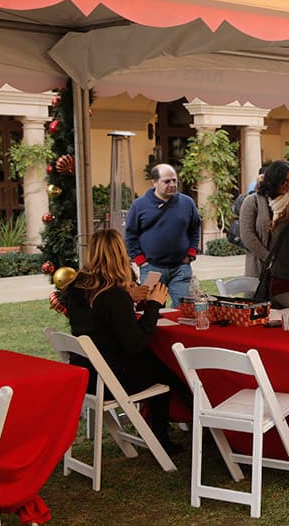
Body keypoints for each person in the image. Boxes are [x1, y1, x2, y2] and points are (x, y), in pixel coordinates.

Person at [63, 229, 186, 453]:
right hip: (112, 379)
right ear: (120, 254)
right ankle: (167, 436)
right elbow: (136, 343)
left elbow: (100, 319)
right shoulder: (113, 296)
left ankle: (173, 429)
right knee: (171, 371)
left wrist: (129, 296)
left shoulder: (77, 288)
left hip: (86, 375)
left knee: (157, 364)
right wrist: (153, 304)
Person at [124, 163, 201, 307]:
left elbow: (195, 229)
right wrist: (141, 260)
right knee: (153, 311)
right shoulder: (139, 205)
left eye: (174, 180)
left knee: (184, 309)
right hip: (152, 267)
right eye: (167, 181)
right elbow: (130, 235)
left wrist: (191, 253)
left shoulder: (187, 203)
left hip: (181, 267)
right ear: (154, 182)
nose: (172, 184)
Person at [239, 160, 289, 277]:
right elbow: (247, 236)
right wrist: (269, 257)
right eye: (285, 181)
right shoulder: (252, 202)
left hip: (286, 267)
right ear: (274, 179)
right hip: (259, 266)